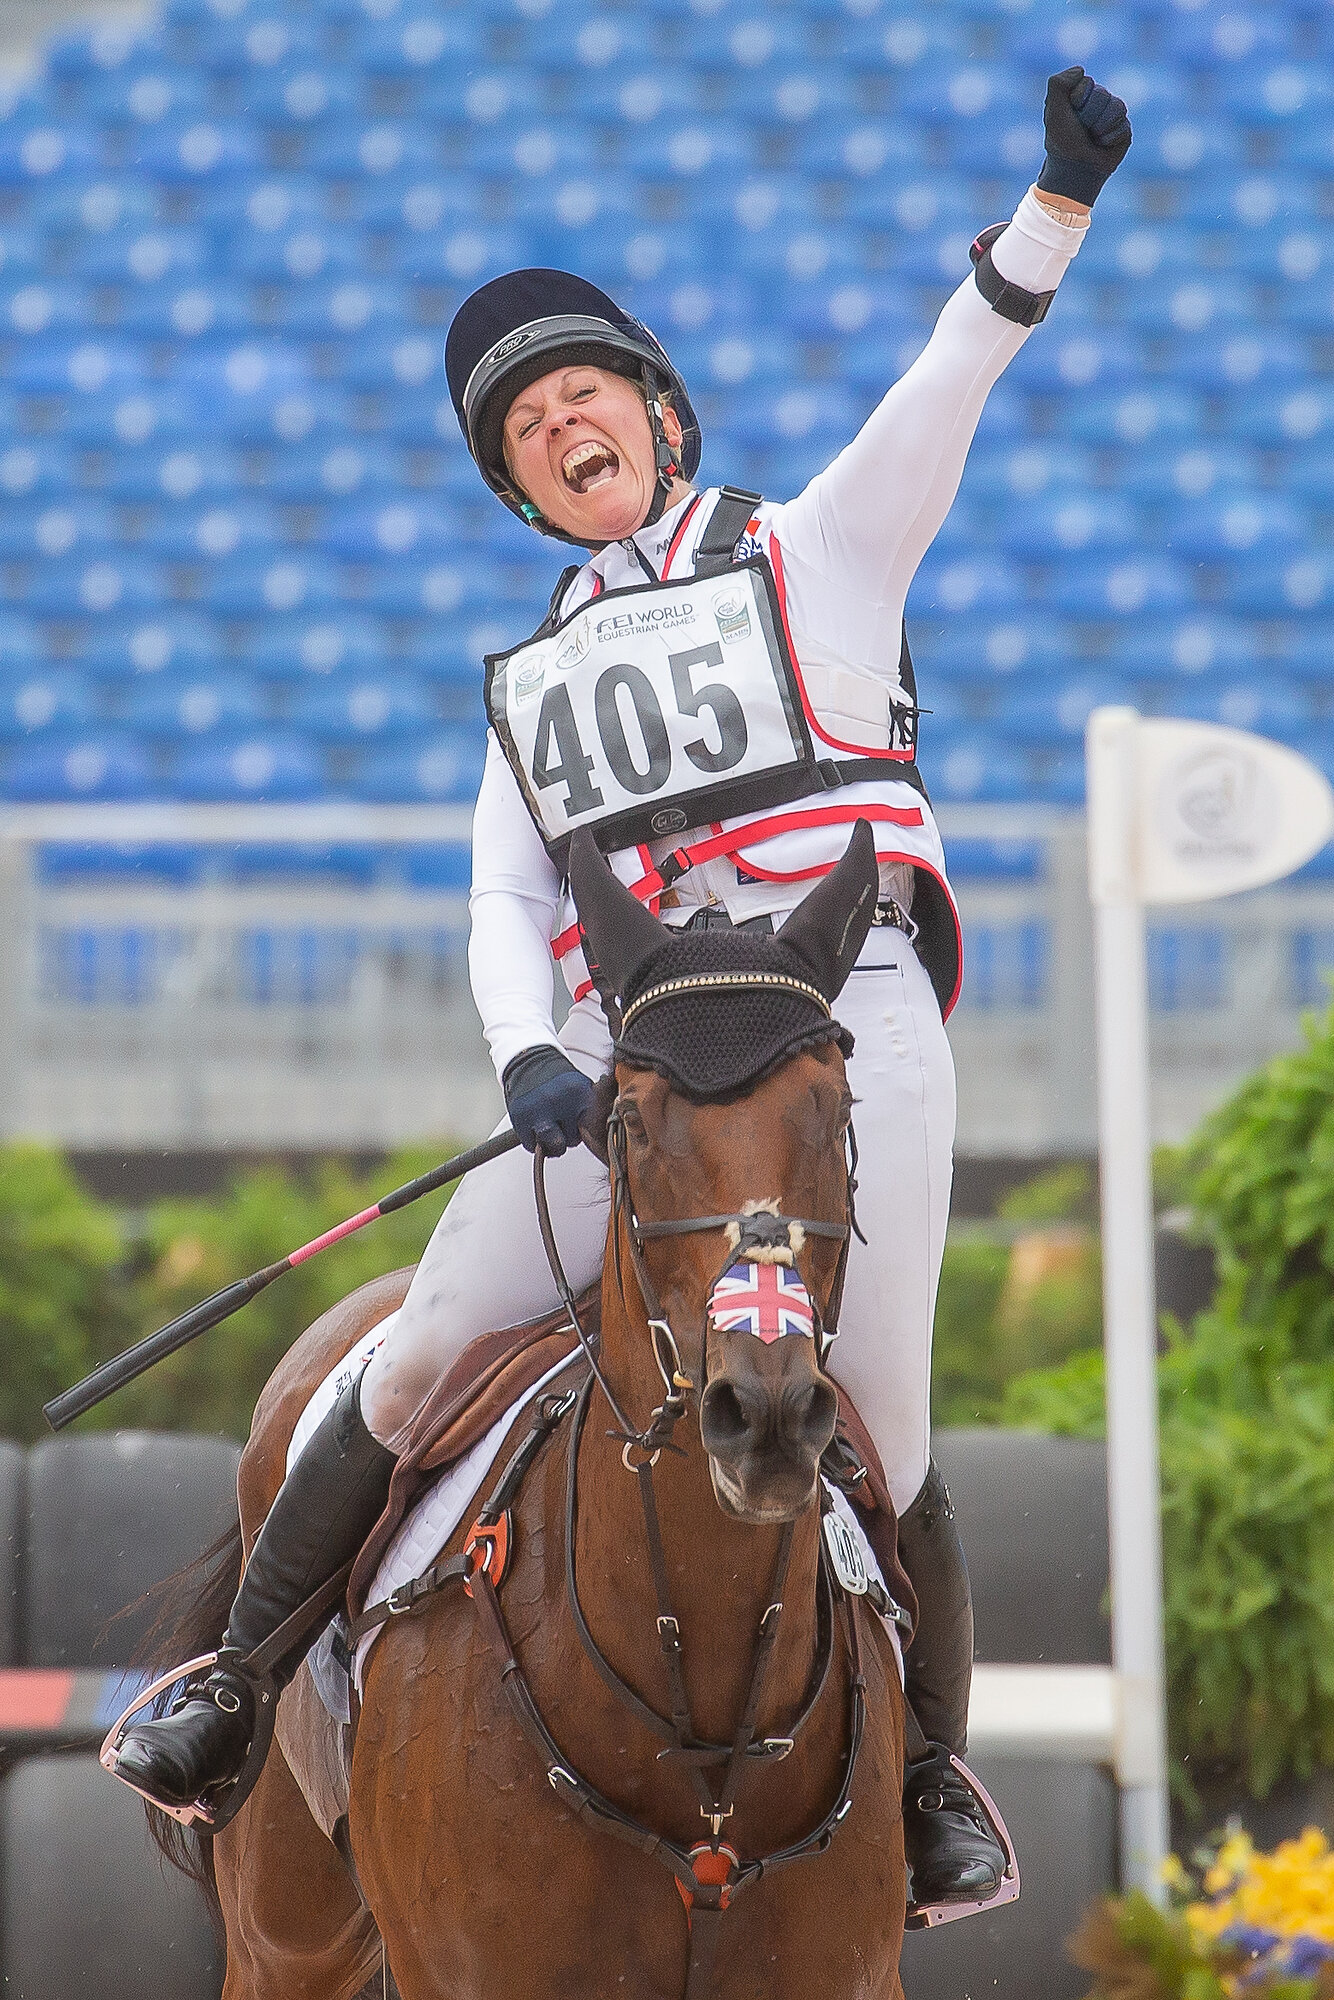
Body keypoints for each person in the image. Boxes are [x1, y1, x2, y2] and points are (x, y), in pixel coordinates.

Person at [116, 67, 1130, 1908]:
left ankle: (922, 1783)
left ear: (656, 419)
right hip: (623, 1064)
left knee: (876, 1422)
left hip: (842, 1036)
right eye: (522, 421)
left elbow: (949, 374)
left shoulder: (813, 549)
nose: (556, 416)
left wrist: (1049, 209)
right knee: (418, 1353)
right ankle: (231, 1688)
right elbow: (505, 891)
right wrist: (526, 1056)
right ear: (519, 489)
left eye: (584, 388)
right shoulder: (529, 678)